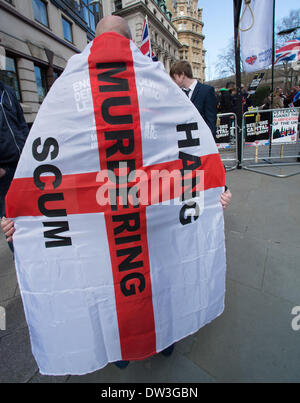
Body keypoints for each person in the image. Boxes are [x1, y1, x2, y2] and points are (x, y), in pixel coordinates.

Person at [1, 15, 232, 370]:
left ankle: (121, 348)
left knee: (109, 284)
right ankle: (162, 337)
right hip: (156, 212)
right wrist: (212, 192)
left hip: (99, 218)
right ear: (130, 40)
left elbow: (47, 168)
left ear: (94, 39)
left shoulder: (66, 89)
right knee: (161, 273)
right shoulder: (160, 84)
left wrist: (25, 216)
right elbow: (189, 152)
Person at [0, 80, 29, 250]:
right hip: (4, 173)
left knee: (29, 216)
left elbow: (22, 125)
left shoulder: (8, 92)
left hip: (22, 166)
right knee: (11, 224)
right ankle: (20, 259)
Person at [169, 61, 217, 140]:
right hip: (185, 141)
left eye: (174, 78)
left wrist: (210, 142)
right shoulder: (178, 93)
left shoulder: (206, 91)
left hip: (203, 139)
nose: (173, 81)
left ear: (182, 75)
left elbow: (211, 120)